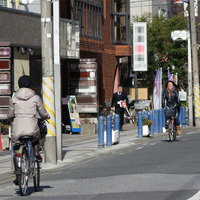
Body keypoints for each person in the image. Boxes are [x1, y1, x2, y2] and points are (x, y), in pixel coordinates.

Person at [8, 75, 50, 185]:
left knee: (16, 150)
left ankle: (18, 175)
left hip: (18, 128)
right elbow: (42, 112)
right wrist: (46, 116)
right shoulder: (35, 97)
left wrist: (11, 117)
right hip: (32, 126)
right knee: (35, 137)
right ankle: (36, 153)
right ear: (30, 85)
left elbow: (10, 114)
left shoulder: (14, 98)